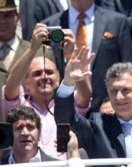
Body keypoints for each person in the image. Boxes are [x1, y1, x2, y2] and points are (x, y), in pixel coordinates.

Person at [1, 23, 93, 160]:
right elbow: (10, 86)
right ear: (26, 82)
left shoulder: (67, 104)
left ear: (58, 77)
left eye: (49, 72)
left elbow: (85, 96)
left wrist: (71, 53)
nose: (44, 77)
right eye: (37, 73)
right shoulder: (19, 106)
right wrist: (33, 48)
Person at [54, 62, 132, 162]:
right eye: (114, 91)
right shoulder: (97, 126)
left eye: (126, 90)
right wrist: (68, 82)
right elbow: (64, 118)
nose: (119, 97)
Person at [41, 0, 132, 113]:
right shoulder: (50, 25)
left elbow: (128, 68)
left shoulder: (116, 21)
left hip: (107, 108)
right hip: (62, 109)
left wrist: (116, 99)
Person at [0, 0, 54, 122]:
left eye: (8, 15)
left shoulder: (40, 52)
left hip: (28, 129)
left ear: (17, 17)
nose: (2, 21)